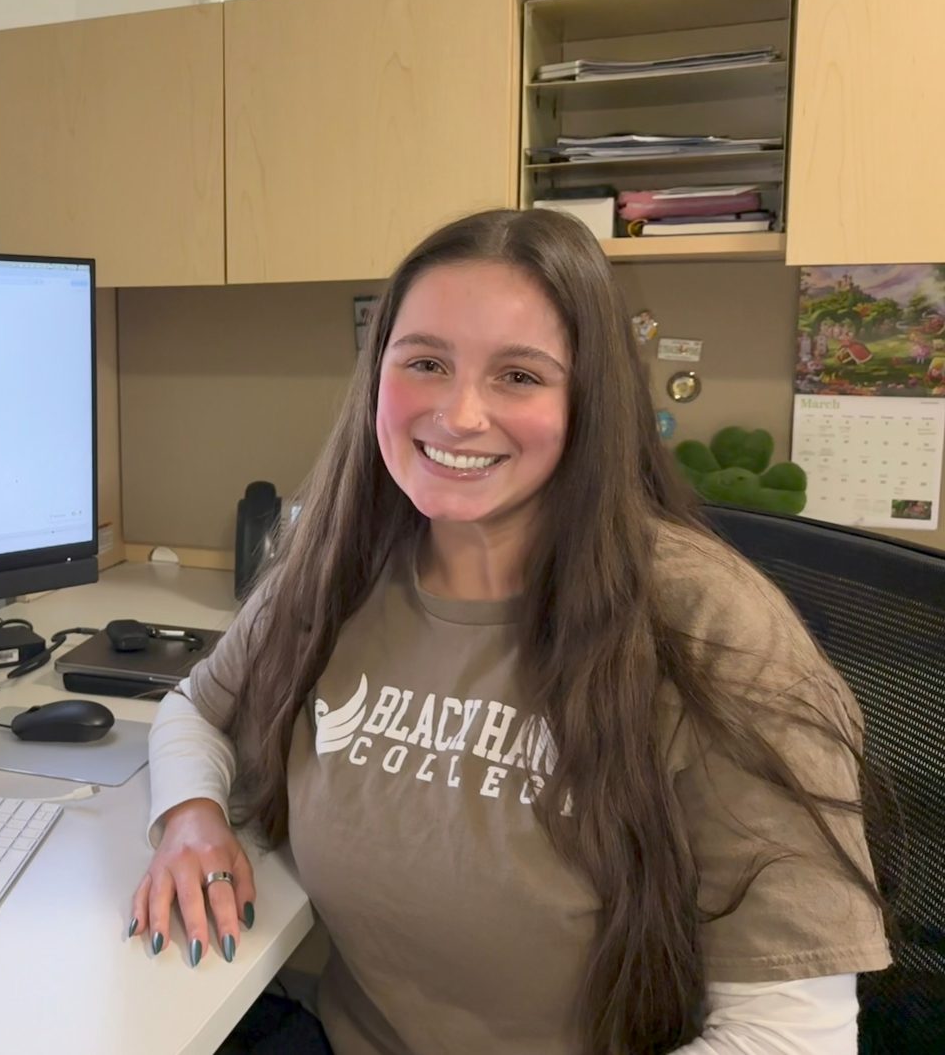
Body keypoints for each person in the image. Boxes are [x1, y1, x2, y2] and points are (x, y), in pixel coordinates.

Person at [132, 209, 890, 1055]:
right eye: (425, 362)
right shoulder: (339, 566)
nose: (458, 415)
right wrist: (191, 815)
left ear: (588, 400)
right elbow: (194, 710)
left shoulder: (712, 628)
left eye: (519, 376)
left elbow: (792, 1036)